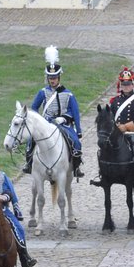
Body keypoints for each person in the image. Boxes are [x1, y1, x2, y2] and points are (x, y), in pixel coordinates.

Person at [25, 46, 83, 178]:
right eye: (50, 77)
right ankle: (28, 163)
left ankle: (76, 167)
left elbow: (75, 112)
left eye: (55, 77)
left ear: (59, 77)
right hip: (46, 123)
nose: (52, 80)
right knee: (31, 141)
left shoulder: (68, 94)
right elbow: (34, 108)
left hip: (63, 123)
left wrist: (76, 128)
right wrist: (39, 121)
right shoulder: (43, 92)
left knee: (75, 143)